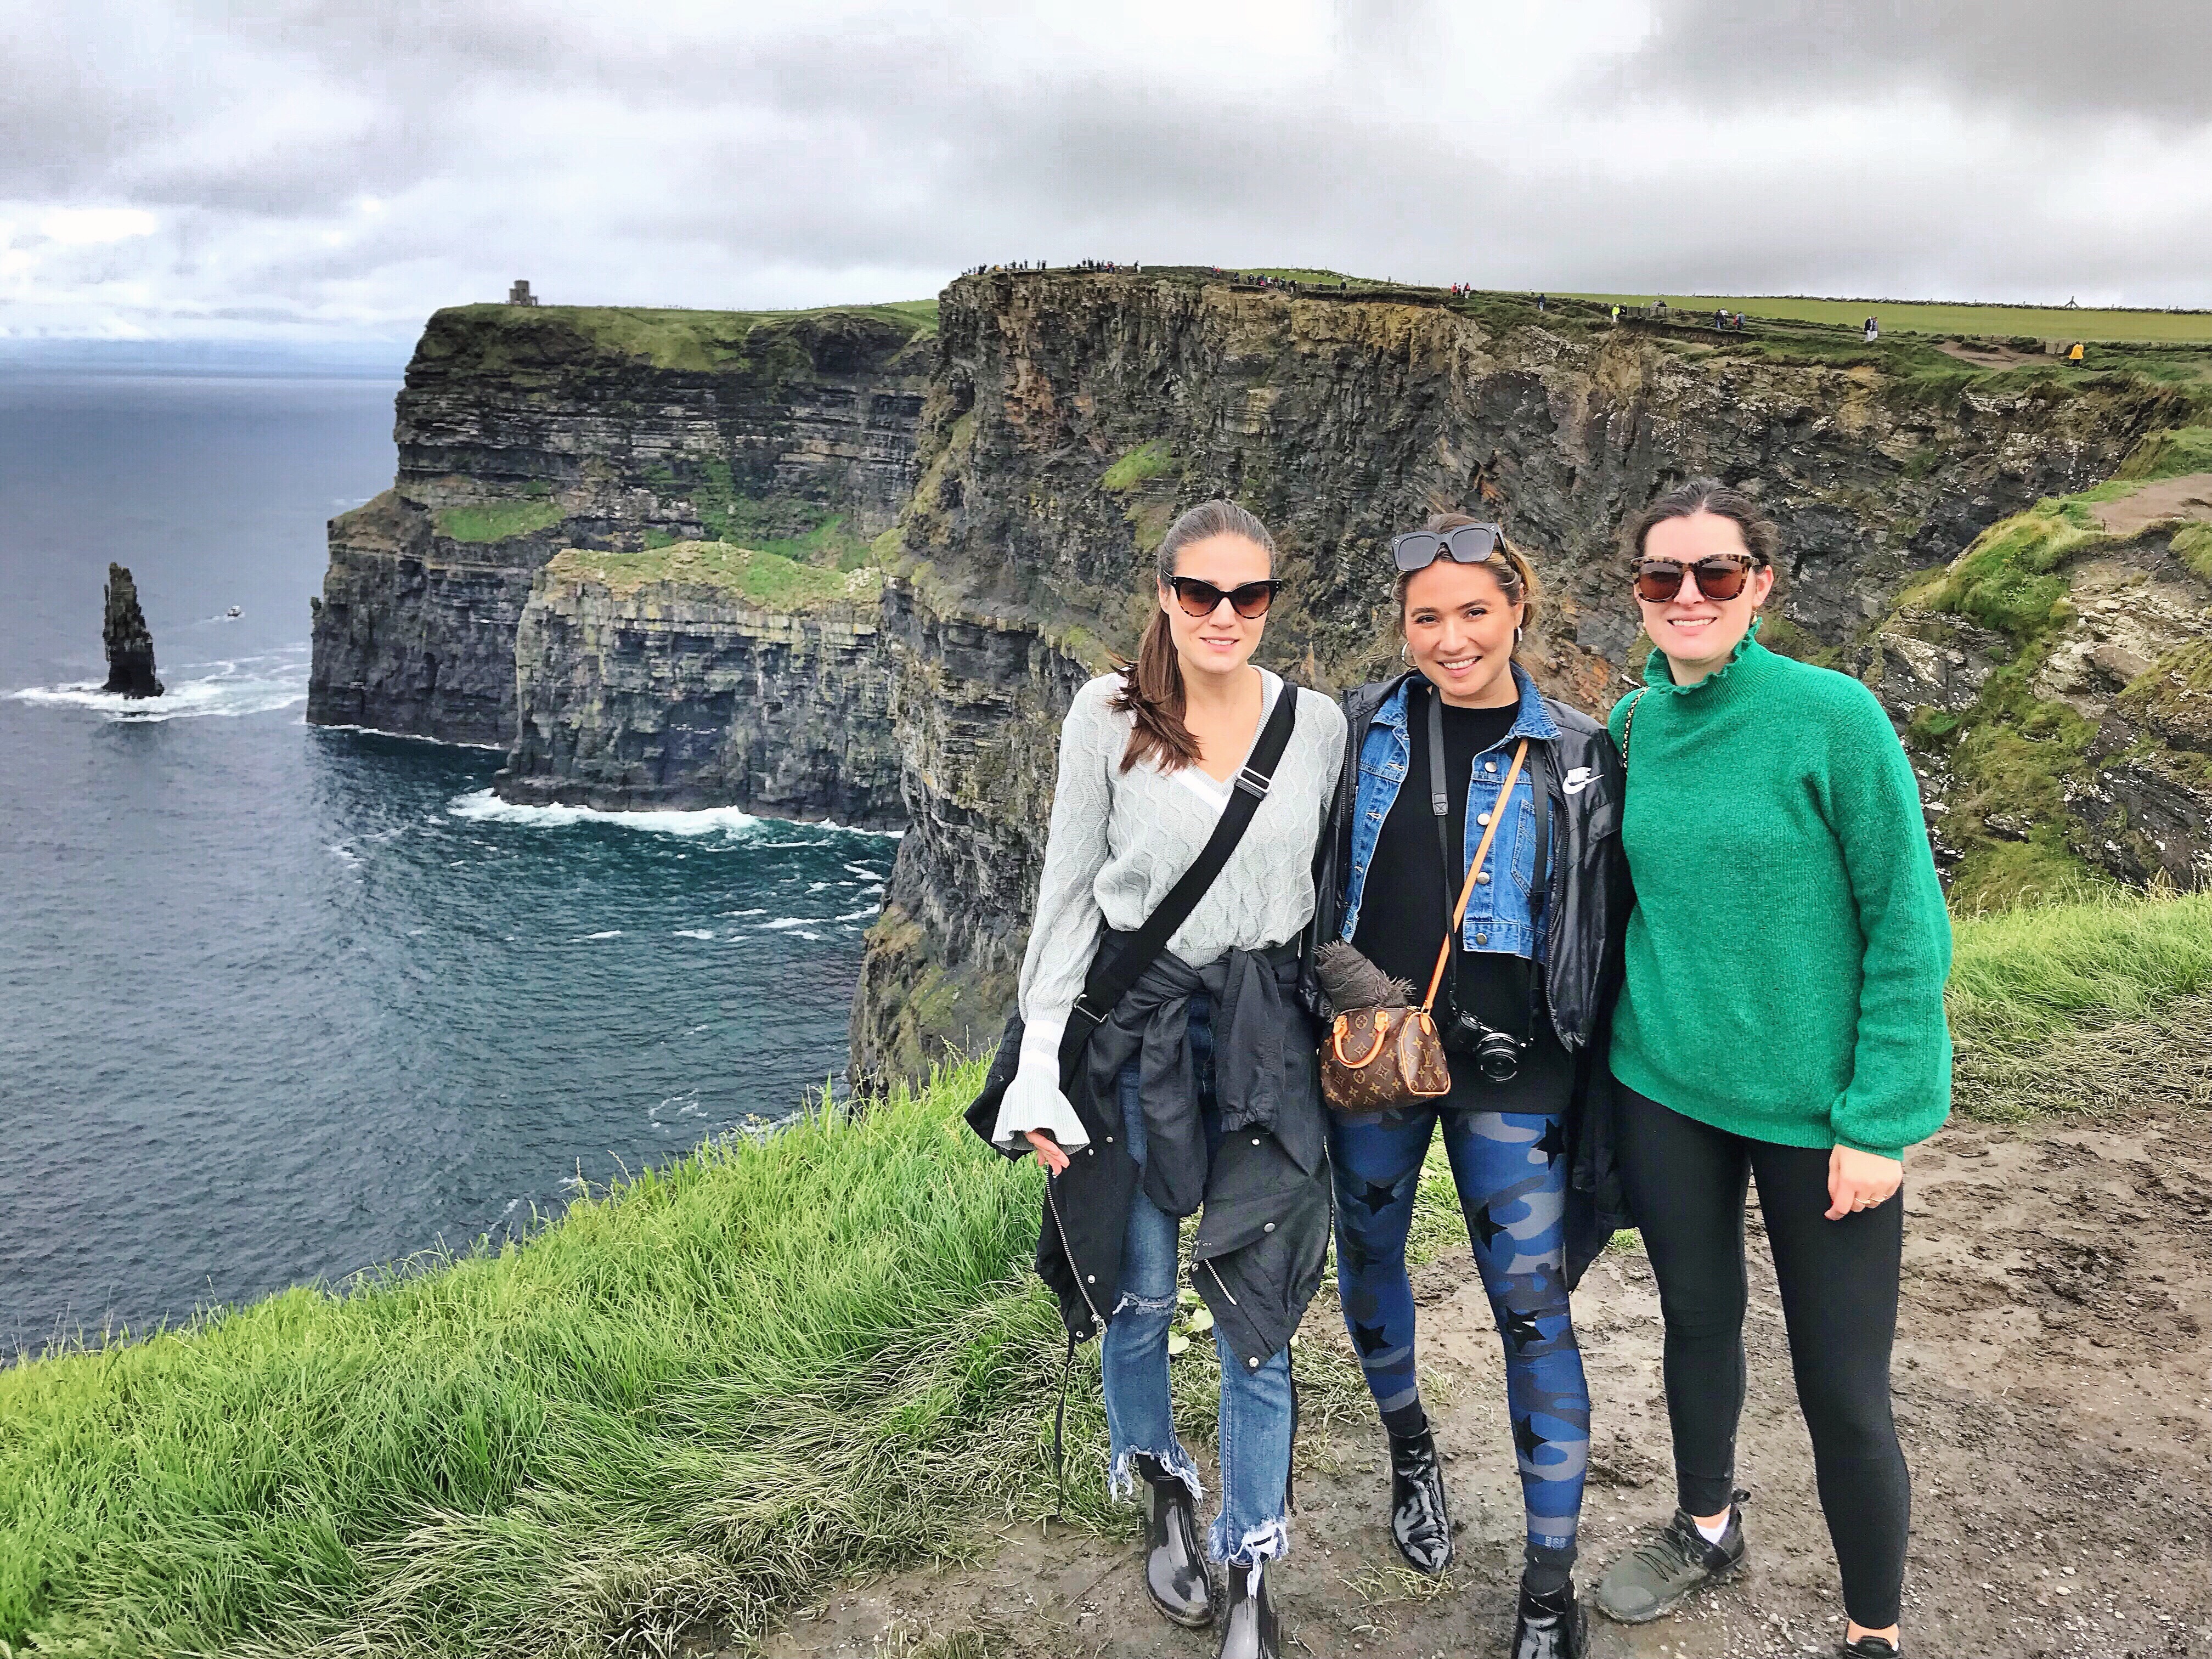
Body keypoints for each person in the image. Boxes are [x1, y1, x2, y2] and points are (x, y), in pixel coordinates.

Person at [1590, 479, 1951, 1659]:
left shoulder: (1832, 717)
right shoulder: (1635, 726)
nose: (1688, 596)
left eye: (1716, 574)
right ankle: (1705, 1528)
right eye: (1662, 577)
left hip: (1819, 1115)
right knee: (1696, 1321)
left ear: (1762, 585)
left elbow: (1906, 922)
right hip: (1667, 1087)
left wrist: (1882, 1119)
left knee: (1842, 1387)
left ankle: (1873, 1631)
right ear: (1637, 594)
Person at [991, 500, 1347, 1659]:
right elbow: (1067, 894)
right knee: (1138, 1294)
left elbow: (1323, 893)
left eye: (1251, 596)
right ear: (1164, 594)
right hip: (1136, 1036)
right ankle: (1159, 1485)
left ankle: (1250, 1563)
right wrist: (1035, 1073)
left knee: (1256, 1318)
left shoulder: (1319, 726)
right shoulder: (1105, 716)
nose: (1226, 617)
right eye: (1202, 593)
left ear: (1273, 602)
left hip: (1262, 1045)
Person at [1310, 516, 1629, 1659]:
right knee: (1370, 1251)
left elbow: (1614, 918)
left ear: (1518, 611)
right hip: (1375, 1058)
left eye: (1474, 612)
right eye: (1426, 618)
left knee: (1532, 1311)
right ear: (1402, 626)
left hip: (1521, 1069)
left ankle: (1549, 1594)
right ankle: (1410, 1452)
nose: (1452, 639)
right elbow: (1300, 877)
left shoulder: (1584, 753)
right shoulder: (1351, 729)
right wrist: (1343, 977)